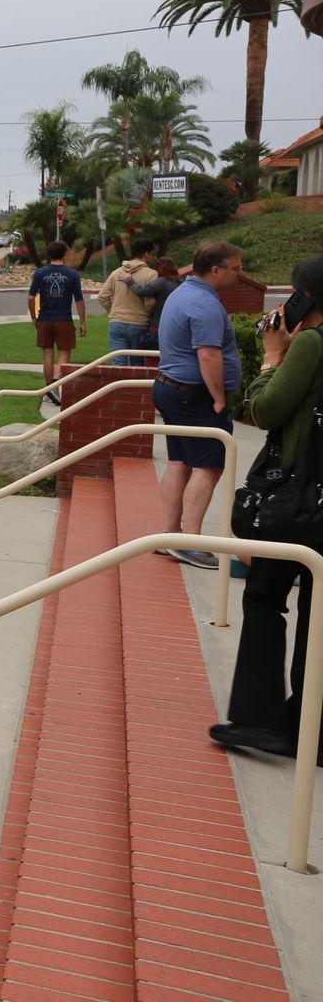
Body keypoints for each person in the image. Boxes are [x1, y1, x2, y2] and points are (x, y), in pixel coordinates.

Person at [210, 255, 323, 760]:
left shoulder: (313, 343)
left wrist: (273, 355)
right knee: (319, 614)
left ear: (305, 298)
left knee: (265, 597)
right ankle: (311, 728)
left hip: (300, 499)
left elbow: (263, 409)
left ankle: (261, 722)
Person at [153, 241, 244, 570]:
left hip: (172, 390)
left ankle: (170, 535)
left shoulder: (183, 292)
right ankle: (189, 542)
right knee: (208, 466)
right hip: (194, 396)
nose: (240, 273)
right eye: (236, 267)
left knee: (180, 462)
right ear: (216, 270)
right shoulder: (204, 304)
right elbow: (208, 355)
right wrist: (219, 398)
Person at [27, 241, 88, 401]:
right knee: (64, 352)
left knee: (47, 353)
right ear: (65, 254)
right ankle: (55, 385)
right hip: (64, 319)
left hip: (45, 319)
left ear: (48, 254)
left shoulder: (40, 273)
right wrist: (83, 322)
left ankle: (49, 390)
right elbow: (79, 300)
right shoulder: (73, 274)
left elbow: (31, 297)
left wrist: (33, 317)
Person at [97, 238, 158, 363]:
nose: (152, 257)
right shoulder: (151, 274)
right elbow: (150, 302)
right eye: (152, 254)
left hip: (117, 322)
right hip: (139, 323)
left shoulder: (117, 272)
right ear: (146, 254)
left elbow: (102, 296)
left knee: (118, 362)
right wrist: (146, 313)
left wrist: (113, 311)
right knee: (137, 363)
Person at [131, 255, 182, 349]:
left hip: (158, 325)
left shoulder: (161, 282)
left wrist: (129, 280)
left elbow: (140, 291)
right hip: (175, 326)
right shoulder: (180, 282)